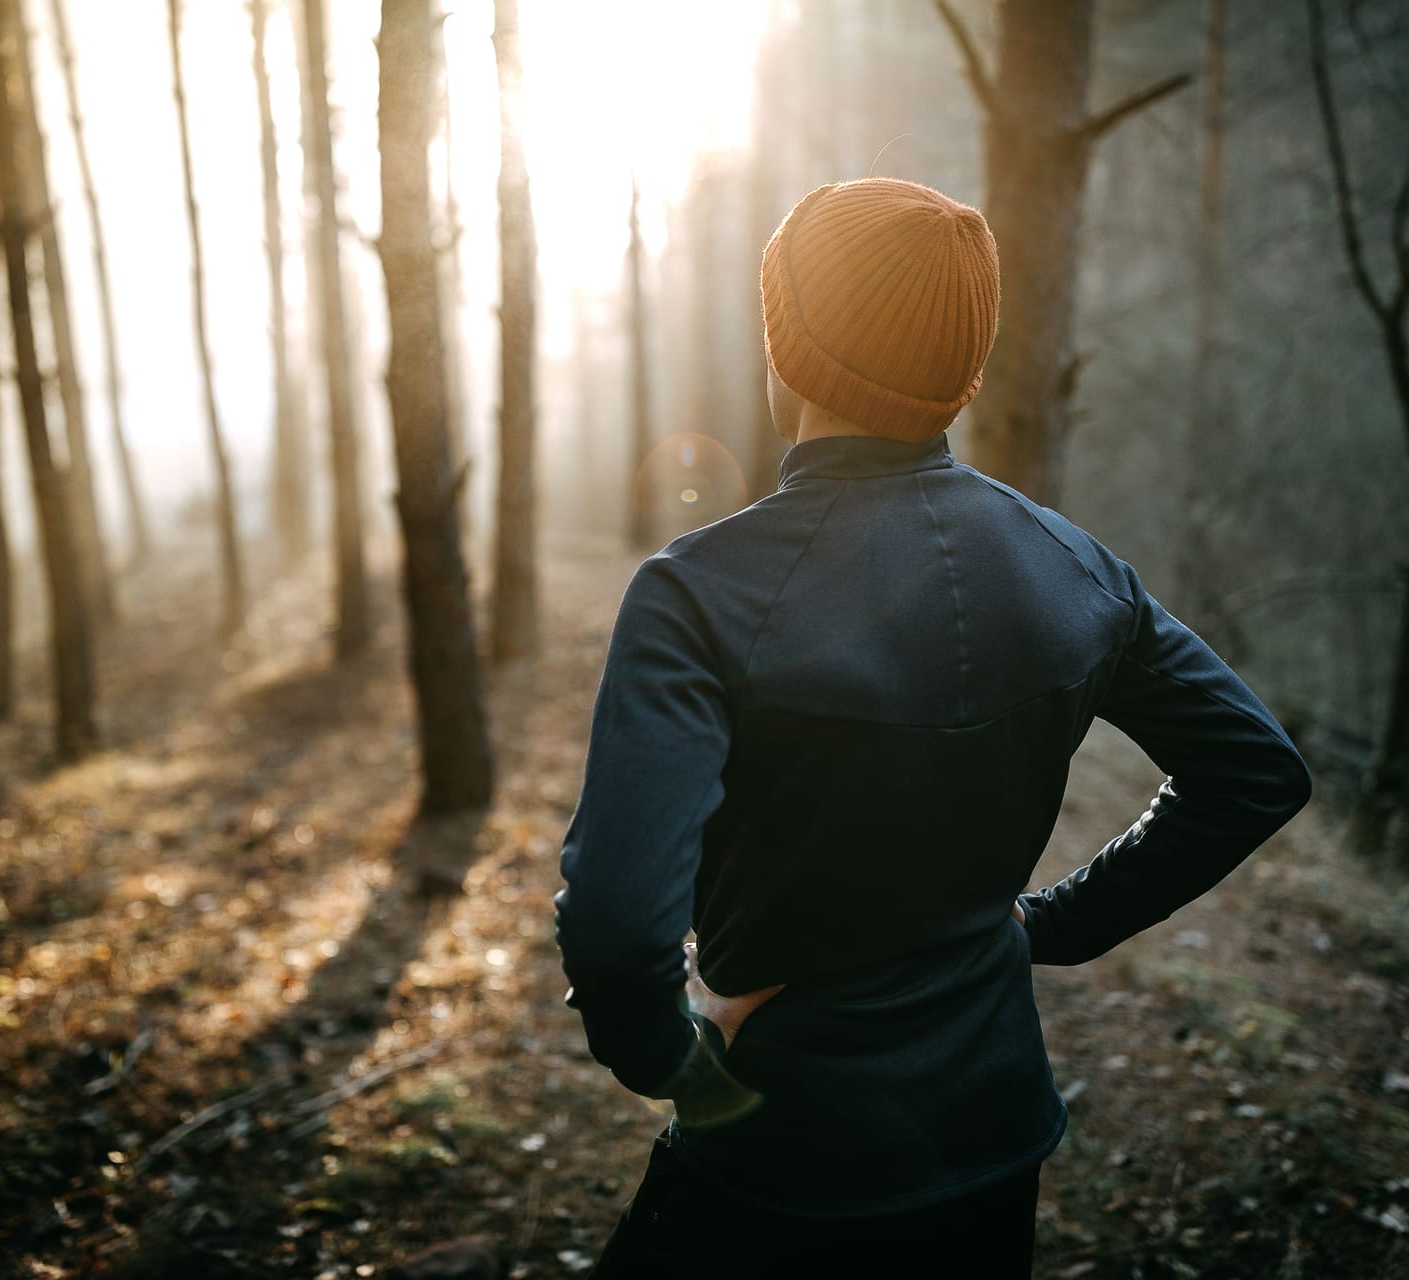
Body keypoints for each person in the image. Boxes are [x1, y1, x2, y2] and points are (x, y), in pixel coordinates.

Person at [553, 177, 1312, 1277]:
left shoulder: (699, 594)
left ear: (790, 348)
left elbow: (621, 929)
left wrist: (680, 1055)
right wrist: (1043, 926)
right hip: (992, 1151)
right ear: (964, 366)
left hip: (775, 1164)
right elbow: (1254, 771)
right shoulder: (1075, 569)